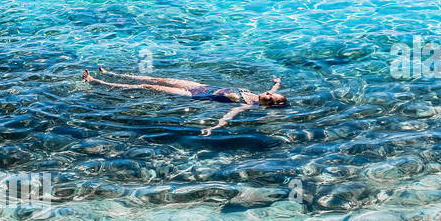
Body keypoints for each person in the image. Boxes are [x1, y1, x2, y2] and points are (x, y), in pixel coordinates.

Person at [84, 65, 288, 130]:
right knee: (159, 78)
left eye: (269, 97)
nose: (267, 94)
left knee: (147, 86)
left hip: (191, 95)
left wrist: (213, 127)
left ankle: (96, 81)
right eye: (270, 93)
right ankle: (112, 73)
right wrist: (277, 82)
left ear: (266, 105)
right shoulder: (257, 95)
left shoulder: (248, 105)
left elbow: (230, 115)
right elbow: (273, 86)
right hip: (201, 87)